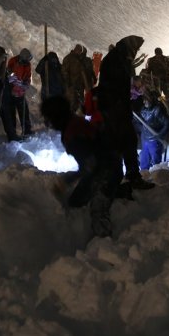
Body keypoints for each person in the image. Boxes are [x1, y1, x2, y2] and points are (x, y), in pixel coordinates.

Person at [41, 96, 122, 237]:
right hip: (106, 165)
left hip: (108, 170)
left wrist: (66, 181)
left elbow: (90, 165)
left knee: (98, 207)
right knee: (76, 201)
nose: (48, 123)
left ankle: (104, 243)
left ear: (56, 117)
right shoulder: (74, 123)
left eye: (49, 118)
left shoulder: (73, 133)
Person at [97, 35, 154, 190]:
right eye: (136, 48)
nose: (136, 51)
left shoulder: (122, 58)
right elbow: (110, 84)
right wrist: (117, 103)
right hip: (114, 108)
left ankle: (129, 175)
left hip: (119, 107)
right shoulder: (115, 59)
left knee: (127, 140)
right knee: (120, 141)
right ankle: (114, 178)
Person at [136, 91, 169, 170]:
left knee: (156, 163)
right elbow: (140, 122)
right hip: (145, 138)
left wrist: (160, 134)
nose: (145, 102)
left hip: (154, 140)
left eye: (147, 99)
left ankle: (156, 177)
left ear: (152, 99)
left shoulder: (157, 111)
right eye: (144, 100)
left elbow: (167, 123)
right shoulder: (143, 110)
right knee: (144, 162)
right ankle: (144, 176)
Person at [6, 48, 34, 137]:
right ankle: (12, 133)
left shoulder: (27, 65)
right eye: (26, 60)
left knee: (24, 112)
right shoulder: (13, 61)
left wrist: (26, 83)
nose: (27, 62)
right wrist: (17, 83)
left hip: (20, 92)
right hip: (11, 91)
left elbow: (28, 76)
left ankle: (27, 131)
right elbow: (9, 75)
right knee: (11, 114)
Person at [62, 44, 89, 113]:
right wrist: (68, 84)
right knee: (71, 104)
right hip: (71, 87)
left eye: (80, 52)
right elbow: (64, 72)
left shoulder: (78, 59)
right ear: (75, 49)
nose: (80, 53)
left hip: (79, 86)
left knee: (78, 103)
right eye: (79, 51)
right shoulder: (68, 58)